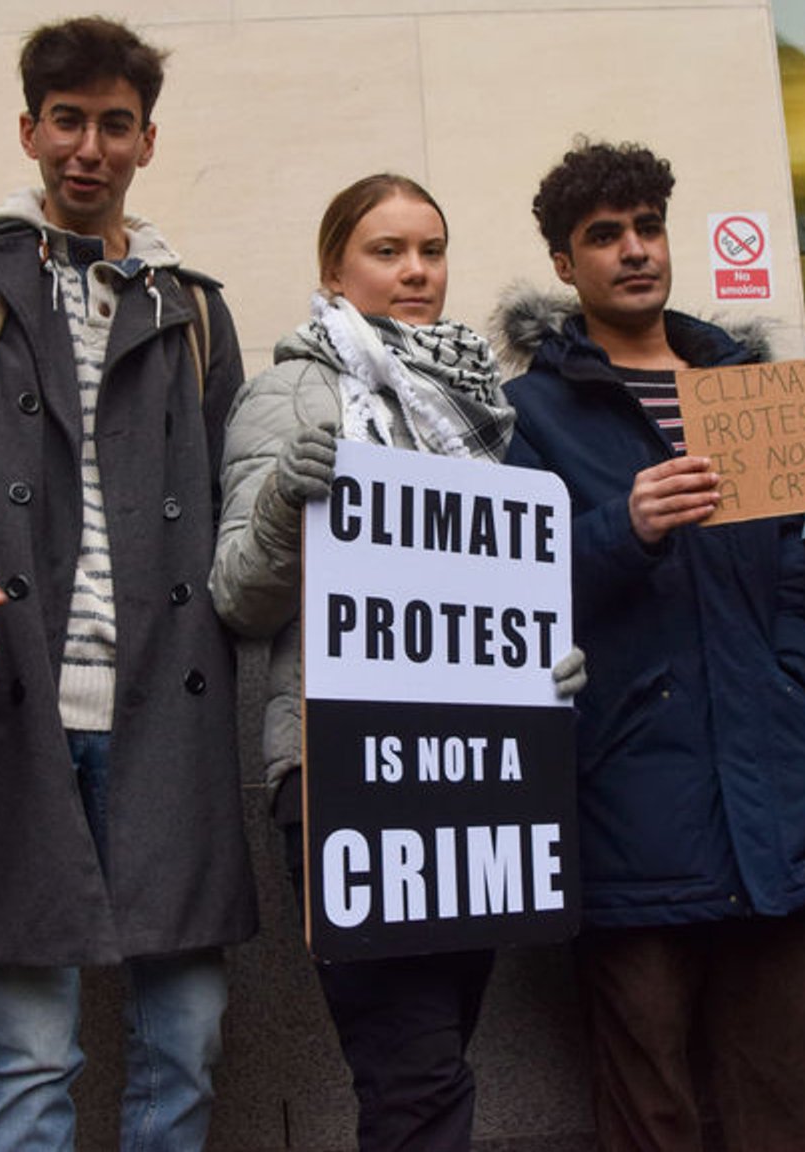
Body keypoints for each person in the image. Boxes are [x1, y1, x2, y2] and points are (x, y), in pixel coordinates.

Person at [0, 16, 255, 1152]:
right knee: (31, 1060)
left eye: (114, 125)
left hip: (166, 727)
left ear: (146, 141)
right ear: (29, 129)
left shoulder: (192, 307)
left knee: (187, 1038)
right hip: (9, 714)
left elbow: (240, 515)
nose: (89, 146)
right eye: (68, 121)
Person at [210, 173, 581, 1151]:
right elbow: (238, 596)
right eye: (386, 250)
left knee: (430, 1062)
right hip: (345, 771)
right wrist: (288, 503)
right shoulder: (288, 391)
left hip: (480, 771)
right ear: (334, 269)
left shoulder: (484, 408)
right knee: (413, 1074)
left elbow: (489, 585)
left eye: (430, 249)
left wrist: (543, 661)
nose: (414, 271)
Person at [495, 140, 805, 1151]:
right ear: (565, 265)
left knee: (779, 1092)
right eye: (603, 236)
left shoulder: (750, 389)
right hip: (627, 801)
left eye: (646, 227)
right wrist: (622, 529)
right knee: (646, 1102)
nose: (633, 250)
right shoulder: (531, 415)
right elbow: (504, 598)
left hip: (772, 795)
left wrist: (801, 685)